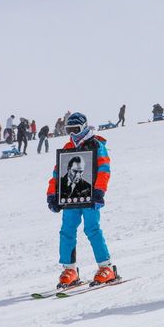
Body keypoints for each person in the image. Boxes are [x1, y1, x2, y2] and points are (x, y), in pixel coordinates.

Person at [45, 112, 117, 288]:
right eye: (69, 130)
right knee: (66, 230)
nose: (73, 134)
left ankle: (106, 267)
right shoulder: (68, 147)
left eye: (76, 129)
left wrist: (99, 191)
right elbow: (57, 173)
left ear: (84, 127)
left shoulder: (96, 144)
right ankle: (70, 269)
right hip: (70, 197)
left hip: (90, 195)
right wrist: (53, 194)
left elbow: (104, 169)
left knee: (92, 229)